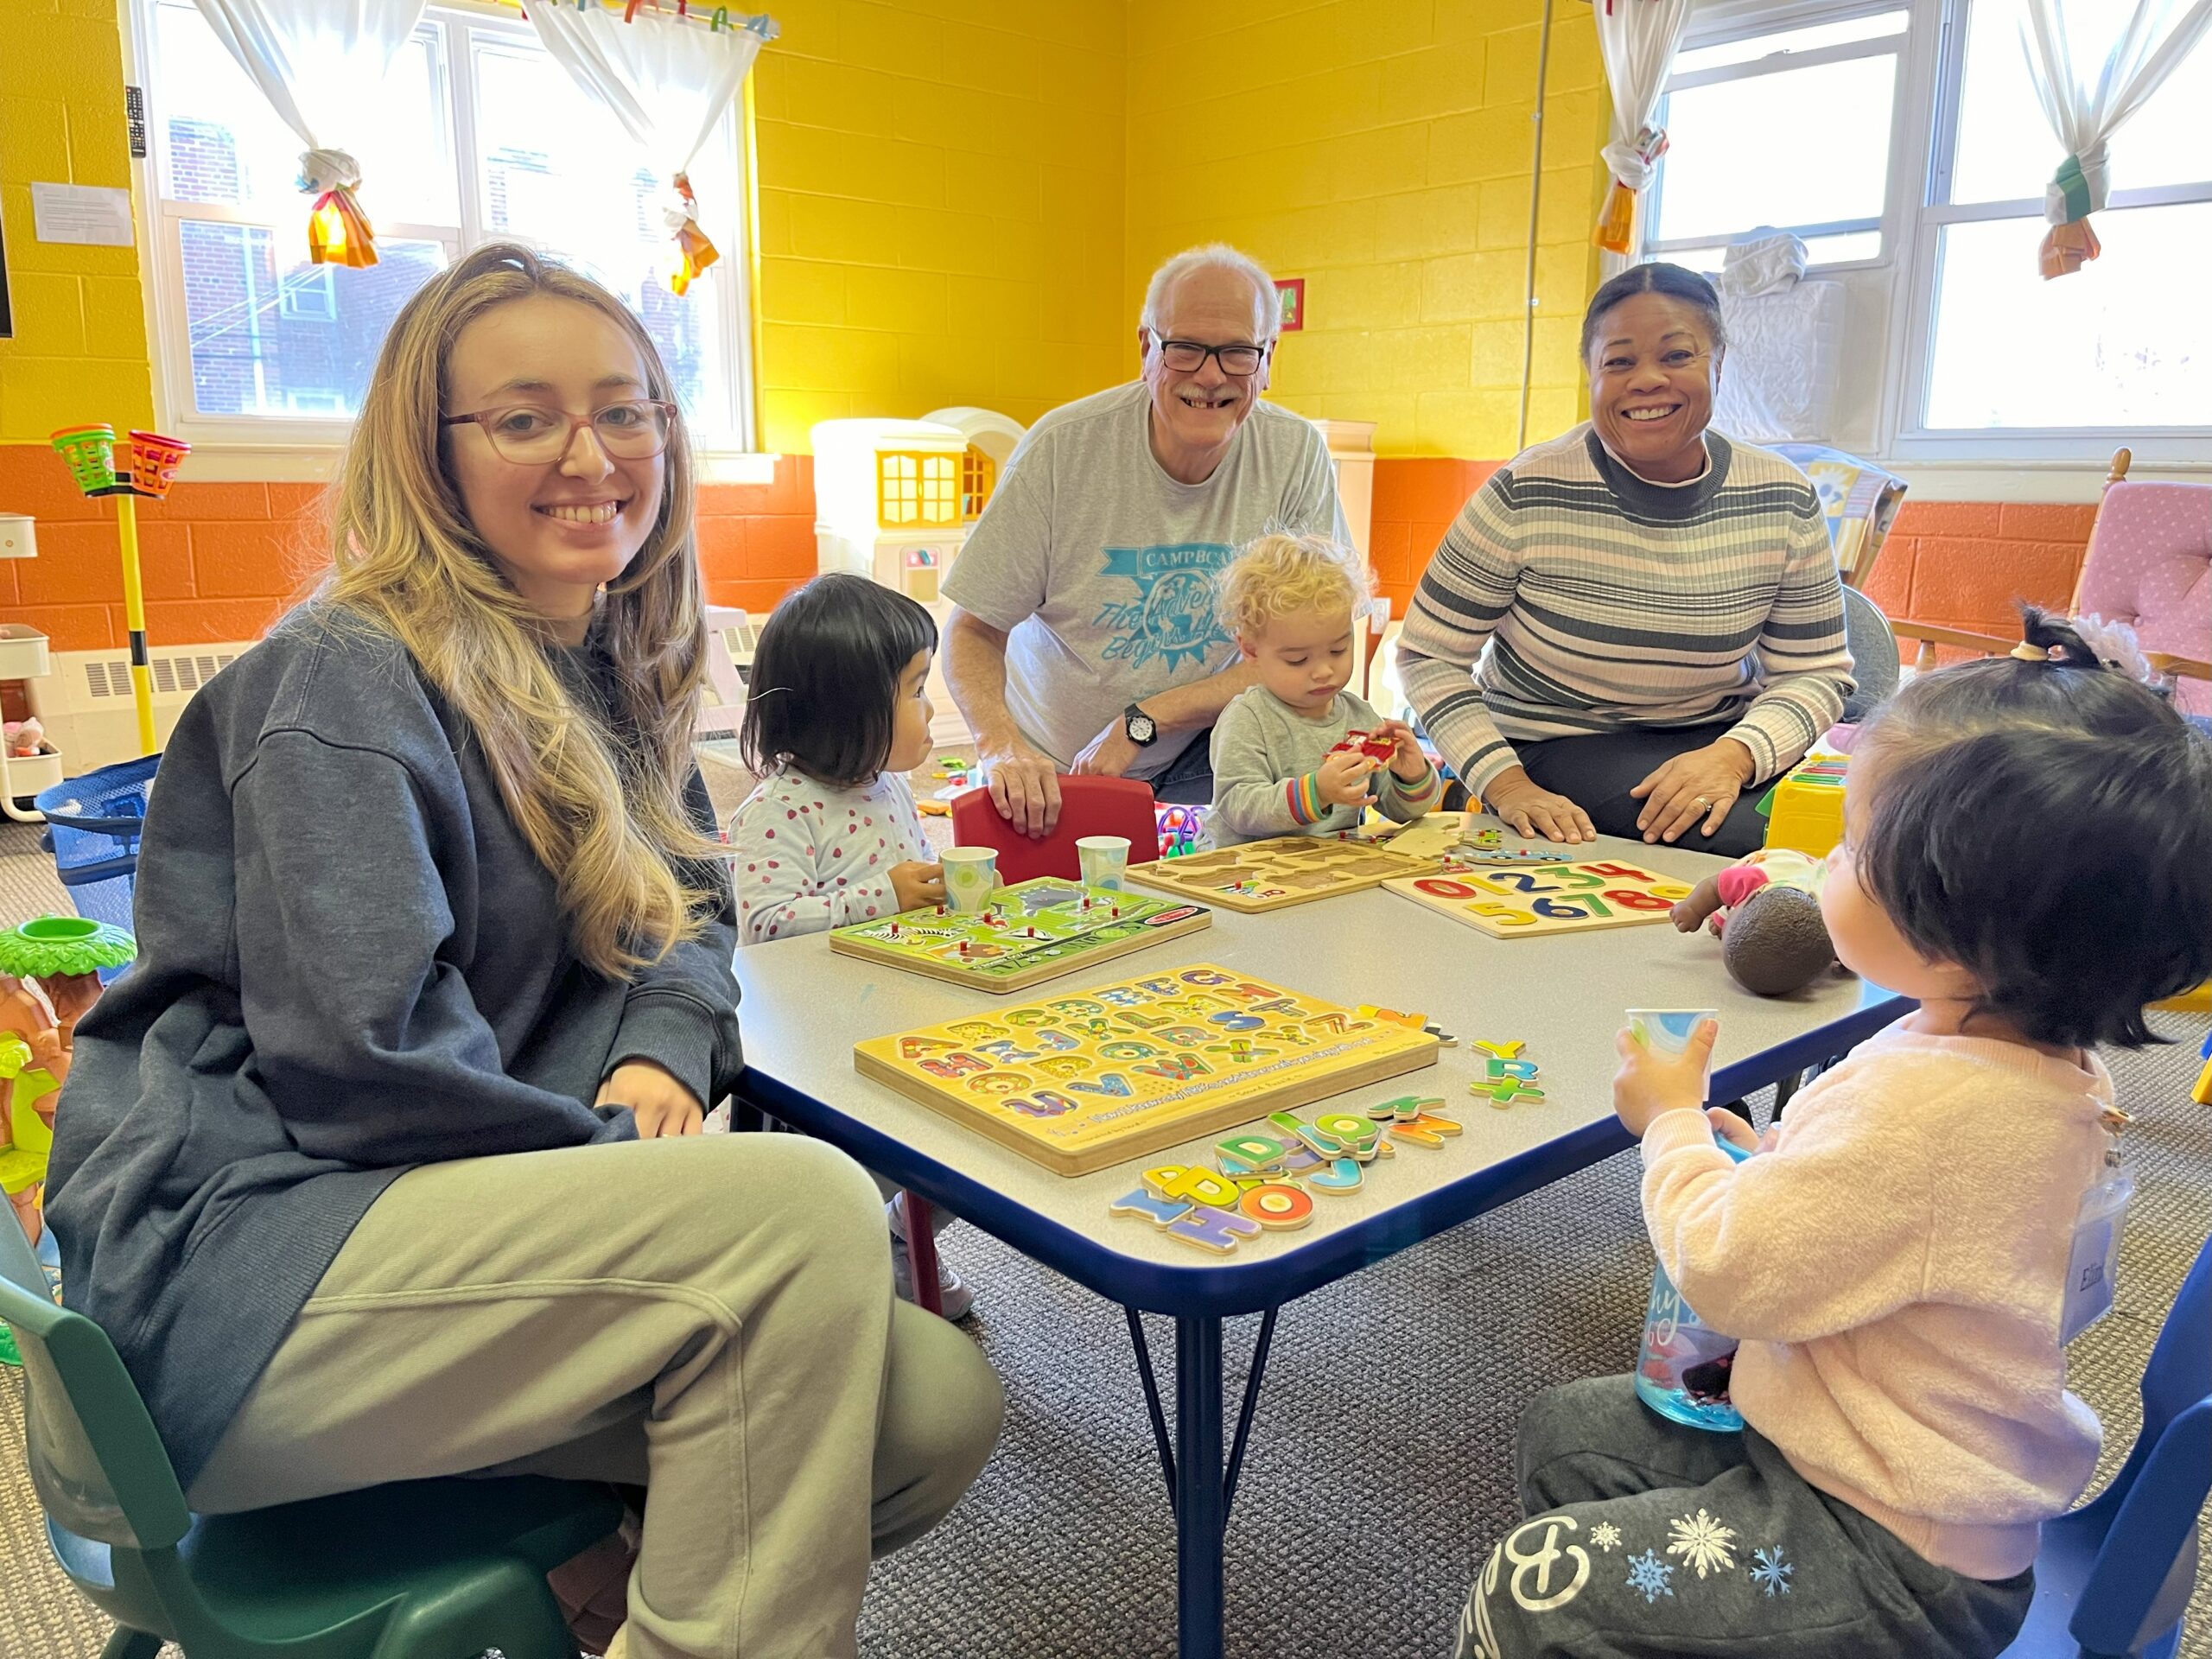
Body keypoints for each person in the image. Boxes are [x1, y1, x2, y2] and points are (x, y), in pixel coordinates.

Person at [44, 245, 1002, 1659]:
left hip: (447, 1229)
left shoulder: (609, 664)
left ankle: (614, 1583)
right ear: (429, 459)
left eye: (627, 412)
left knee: (924, 1413)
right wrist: (624, 1158)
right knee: (799, 1214)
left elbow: (694, 913)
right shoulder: (344, 679)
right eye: (523, 415)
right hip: (244, 1269)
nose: (590, 453)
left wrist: (660, 1053)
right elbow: (368, 1071)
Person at [1451, 609, 2212, 1659]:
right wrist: (1770, 1164)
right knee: (1573, 1433)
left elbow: (1726, 1273)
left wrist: (1670, 1121)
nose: (1824, 862)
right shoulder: (2011, 1052)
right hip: (1850, 1449)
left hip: (1893, 1550)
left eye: (1852, 845)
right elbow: (1904, 1224)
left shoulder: (1935, 1109)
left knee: (1535, 1590)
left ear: (1955, 923)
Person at [1398, 262, 1853, 859]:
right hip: (1560, 745)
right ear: (1591, 375)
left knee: (1876, 827)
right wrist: (1506, 785)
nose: (1647, 380)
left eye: (1676, 356)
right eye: (1619, 361)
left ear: (1717, 365)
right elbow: (1430, 656)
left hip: (1720, 742)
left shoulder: (1782, 496)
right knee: (1770, 846)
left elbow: (1816, 671)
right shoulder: (1526, 491)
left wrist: (1737, 755)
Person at [941, 242, 1349, 837]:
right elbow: (972, 629)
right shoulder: (1063, 449)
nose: (1210, 377)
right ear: (1146, 349)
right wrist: (1000, 747)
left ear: (1268, 359)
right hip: (1054, 770)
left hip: (1208, 757)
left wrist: (1146, 718)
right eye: (1184, 349)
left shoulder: (1293, 454)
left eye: (1237, 352)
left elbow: (1311, 646)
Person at [729, 571, 975, 1322]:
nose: (932, 709)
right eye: (916, 690)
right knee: (847, 1181)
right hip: (822, 1046)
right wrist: (884, 897)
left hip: (900, 1017)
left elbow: (904, 892)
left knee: (962, 1154)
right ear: (847, 709)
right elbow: (764, 925)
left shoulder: (888, 787)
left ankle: (904, 1239)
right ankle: (838, 1272)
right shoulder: (779, 808)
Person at [1209, 530, 1442, 846]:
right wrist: (1316, 792)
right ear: (1251, 651)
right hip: (1246, 876)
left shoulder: (1361, 716)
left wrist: (1411, 775)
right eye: (1298, 659)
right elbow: (1239, 807)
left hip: (1327, 872)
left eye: (1337, 651)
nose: (1323, 671)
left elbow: (1400, 810)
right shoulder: (1248, 718)